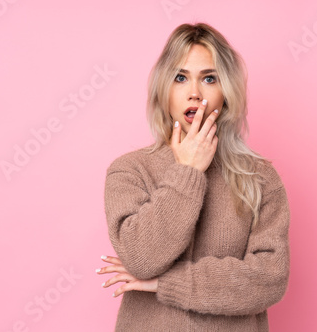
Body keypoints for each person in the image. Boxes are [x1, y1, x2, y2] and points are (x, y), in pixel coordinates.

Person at [97, 22, 291, 331]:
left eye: (209, 78)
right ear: (164, 90)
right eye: (180, 77)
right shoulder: (129, 170)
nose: (194, 93)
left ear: (226, 92)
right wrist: (188, 171)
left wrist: (165, 283)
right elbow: (141, 259)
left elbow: (268, 280)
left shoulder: (261, 178)